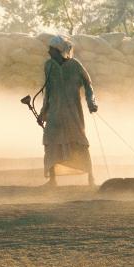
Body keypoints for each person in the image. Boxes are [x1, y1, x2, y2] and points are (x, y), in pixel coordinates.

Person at [39, 35, 98, 187]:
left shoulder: (75, 66)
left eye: (51, 49)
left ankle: (91, 178)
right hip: (54, 113)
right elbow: (48, 91)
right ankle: (52, 180)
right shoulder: (49, 66)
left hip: (73, 113)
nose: (49, 52)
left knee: (80, 142)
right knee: (50, 142)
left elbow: (88, 85)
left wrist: (91, 102)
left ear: (59, 51)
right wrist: (43, 112)